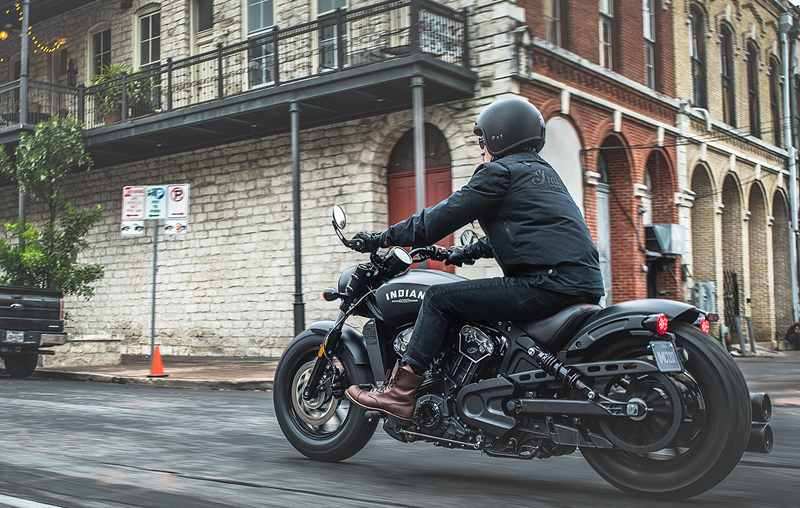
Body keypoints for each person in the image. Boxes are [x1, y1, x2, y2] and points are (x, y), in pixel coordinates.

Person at [345, 98, 605, 421]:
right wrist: (460, 253)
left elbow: (435, 222)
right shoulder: (543, 174)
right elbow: (525, 234)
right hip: (583, 285)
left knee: (439, 298)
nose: (482, 150)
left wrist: (379, 238)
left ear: (499, 137)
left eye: (483, 142)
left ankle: (400, 394)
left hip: (544, 286)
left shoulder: (498, 172)